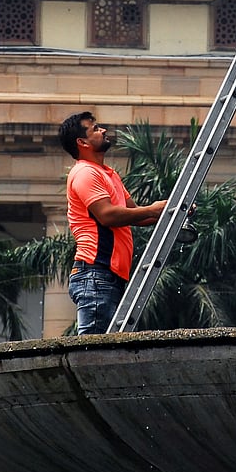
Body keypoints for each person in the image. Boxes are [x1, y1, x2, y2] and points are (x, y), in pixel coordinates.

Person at [59, 111, 166, 334]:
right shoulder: (85, 173)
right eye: (95, 129)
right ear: (82, 142)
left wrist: (170, 209)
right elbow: (107, 215)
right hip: (96, 273)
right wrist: (154, 208)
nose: (103, 130)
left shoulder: (108, 174)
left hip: (107, 276)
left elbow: (137, 214)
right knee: (95, 355)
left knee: (104, 350)